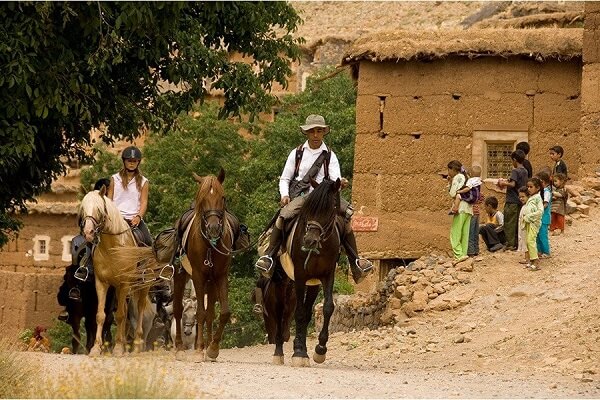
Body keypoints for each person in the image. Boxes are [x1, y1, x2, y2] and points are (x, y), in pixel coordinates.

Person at [254, 114, 373, 284]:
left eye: (319, 131)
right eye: (312, 131)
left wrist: (340, 184)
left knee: (346, 216)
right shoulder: (296, 153)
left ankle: (355, 262)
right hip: (302, 197)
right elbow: (285, 178)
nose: (316, 135)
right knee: (283, 215)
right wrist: (285, 195)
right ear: (307, 133)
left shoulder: (330, 155)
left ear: (324, 132)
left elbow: (335, 179)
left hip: (324, 197)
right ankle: (269, 257)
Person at [496, 150, 528, 250]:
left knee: (509, 223)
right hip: (520, 201)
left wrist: (502, 183)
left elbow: (513, 184)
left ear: (514, 160)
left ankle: (510, 244)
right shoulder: (525, 171)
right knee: (517, 223)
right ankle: (517, 243)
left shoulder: (515, 171)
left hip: (512, 201)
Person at [446, 160, 472, 262]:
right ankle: (464, 255)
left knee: (455, 233)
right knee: (465, 233)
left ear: (452, 169)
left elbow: (453, 193)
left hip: (460, 207)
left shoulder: (457, 177)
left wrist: (449, 183)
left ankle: (459, 255)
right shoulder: (466, 177)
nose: (448, 172)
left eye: (448, 169)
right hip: (469, 209)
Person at [519, 178, 544, 270]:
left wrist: (529, 217)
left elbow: (540, 211)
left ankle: (536, 261)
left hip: (533, 222)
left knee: (531, 241)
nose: (529, 189)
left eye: (531, 187)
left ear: (537, 188)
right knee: (528, 241)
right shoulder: (532, 197)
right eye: (528, 187)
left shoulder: (537, 198)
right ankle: (531, 261)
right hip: (528, 222)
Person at [536, 171, 552, 257]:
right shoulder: (542, 191)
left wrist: (538, 209)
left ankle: (546, 252)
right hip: (539, 217)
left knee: (542, 235)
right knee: (537, 235)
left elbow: (545, 204)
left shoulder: (546, 192)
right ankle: (539, 251)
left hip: (544, 217)